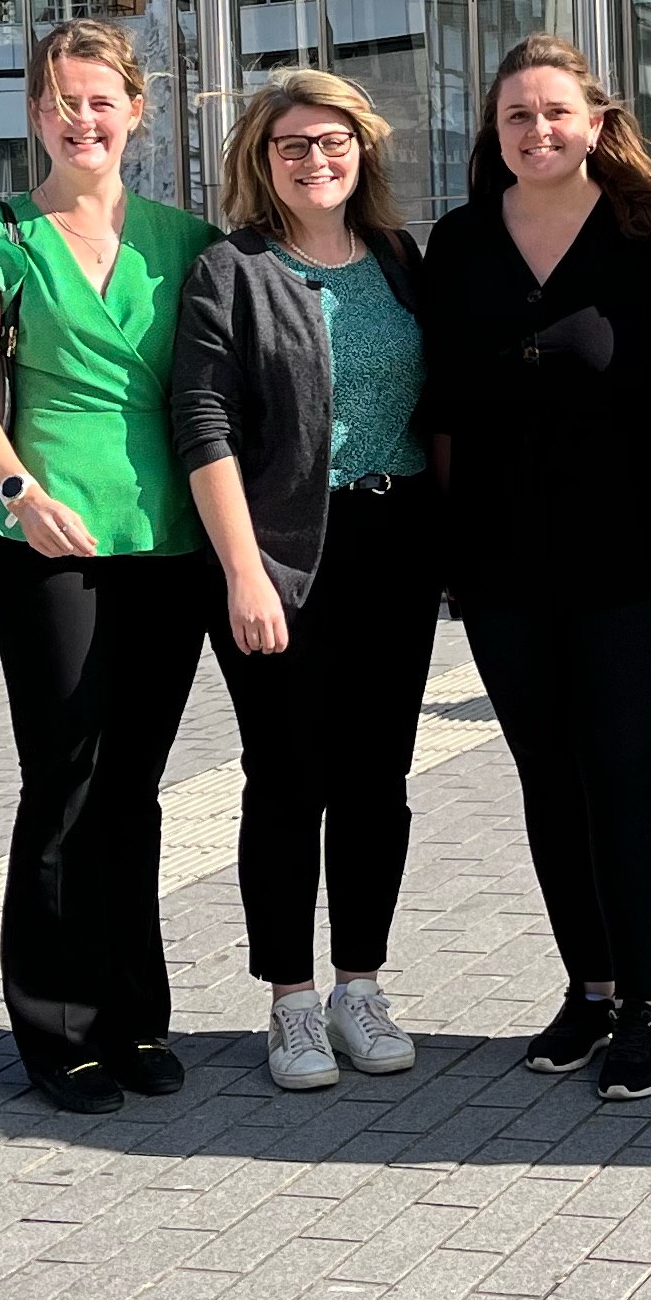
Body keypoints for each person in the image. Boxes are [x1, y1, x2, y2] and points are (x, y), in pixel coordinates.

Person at [0, 18, 218, 1118]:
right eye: (61, 100)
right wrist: (19, 492)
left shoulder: (186, 241)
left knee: (136, 791)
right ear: (34, 114)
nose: (82, 118)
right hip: (50, 545)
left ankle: (133, 1013)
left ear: (137, 111)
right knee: (64, 785)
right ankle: (56, 1031)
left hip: (170, 546)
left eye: (102, 99)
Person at [420, 36, 651, 1104]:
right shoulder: (459, 243)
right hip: (500, 561)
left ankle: (646, 1004)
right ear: (494, 135)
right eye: (516, 118)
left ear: (597, 120)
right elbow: (440, 406)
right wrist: (447, 549)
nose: (538, 132)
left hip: (633, 557)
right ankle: (587, 986)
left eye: (555, 113)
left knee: (626, 770)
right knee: (547, 772)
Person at [169, 69, 439, 1094]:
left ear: (361, 149)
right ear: (261, 160)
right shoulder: (230, 270)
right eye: (293, 145)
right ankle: (288, 998)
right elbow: (203, 422)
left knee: (378, 778)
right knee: (287, 778)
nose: (316, 160)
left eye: (333, 141)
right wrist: (242, 569)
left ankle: (359, 985)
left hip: (395, 544)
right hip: (279, 550)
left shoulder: (401, 262)